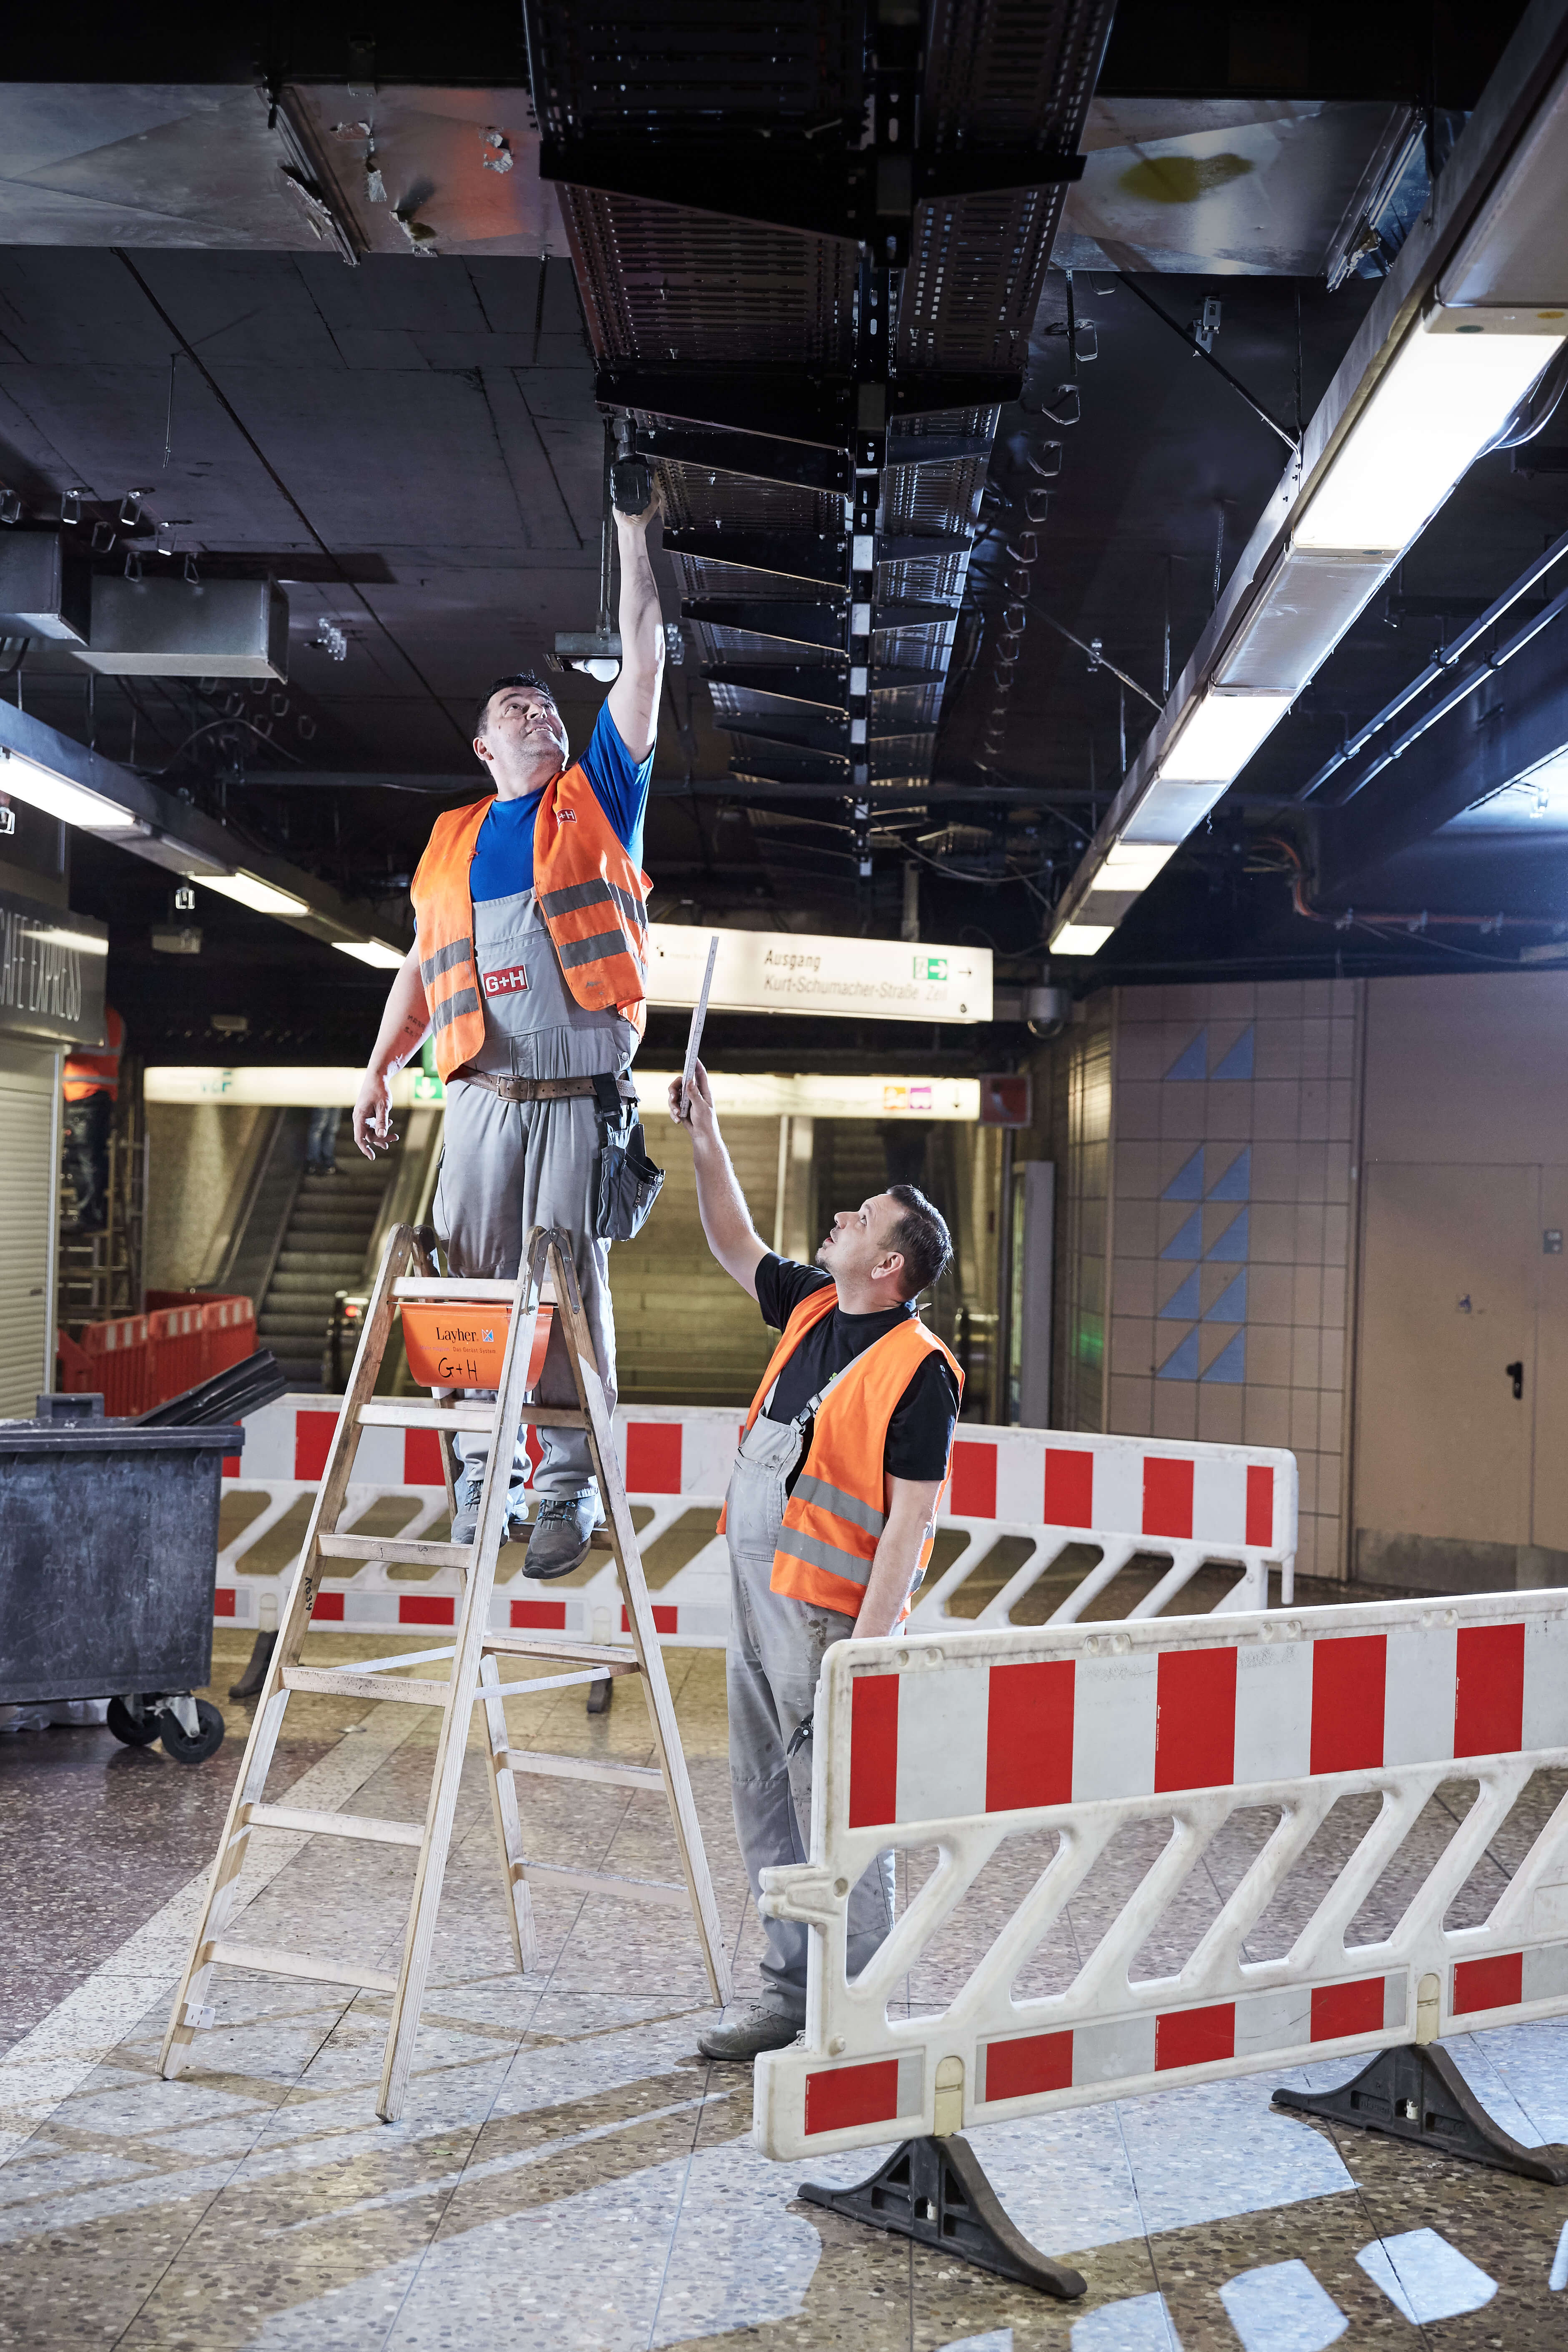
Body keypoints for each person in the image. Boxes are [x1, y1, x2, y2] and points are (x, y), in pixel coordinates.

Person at [351, 489, 665, 1572]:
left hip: (575, 1101)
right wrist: (379, 1068)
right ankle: (489, 1472)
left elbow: (644, 660)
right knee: (461, 1288)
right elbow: (422, 971)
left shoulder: (600, 802)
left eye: (547, 708)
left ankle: (568, 1489)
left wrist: (631, 536)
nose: (540, 715)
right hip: (480, 1100)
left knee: (570, 1291)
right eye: (517, 710)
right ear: (482, 746)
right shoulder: (449, 843)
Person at [669, 1060, 962, 2060]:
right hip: (759, 1605)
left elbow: (909, 1526)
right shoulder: (808, 1308)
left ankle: (860, 2014)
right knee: (763, 1801)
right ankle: (788, 1996)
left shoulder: (920, 1371)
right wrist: (705, 1134)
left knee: (835, 1820)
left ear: (893, 1265)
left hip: (829, 1625)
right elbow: (732, 1242)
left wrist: (864, 1661)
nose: (844, 1216)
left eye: (865, 1217)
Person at [62, 1003, 124, 1234]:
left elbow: (86, 1049)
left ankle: (90, 1217)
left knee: (85, 1158)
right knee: (89, 1158)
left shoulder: (94, 1015)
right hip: (94, 1095)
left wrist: (62, 1045)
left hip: (87, 1094)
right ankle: (92, 1215)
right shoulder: (111, 1016)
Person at [305, 1106, 339, 1176]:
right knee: (318, 1128)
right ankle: (314, 1163)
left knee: (332, 1130)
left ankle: (328, 1163)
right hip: (324, 1097)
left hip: (338, 1098)